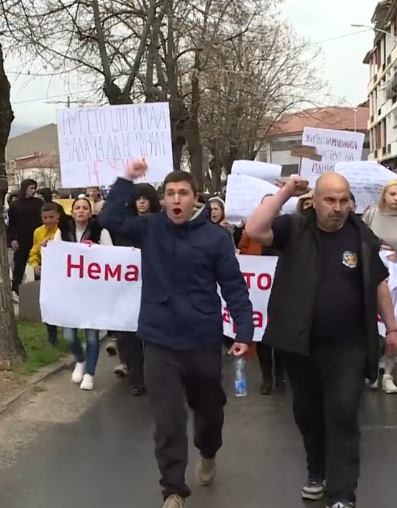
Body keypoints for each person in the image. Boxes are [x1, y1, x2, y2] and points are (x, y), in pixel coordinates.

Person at [99, 161, 253, 508]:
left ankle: (209, 450)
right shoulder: (150, 228)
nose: (176, 199)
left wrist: (244, 331)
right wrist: (126, 179)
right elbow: (109, 219)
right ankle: (172, 489)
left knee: (209, 410)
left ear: (195, 198)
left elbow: (234, 286)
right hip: (160, 338)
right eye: (170, 194)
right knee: (168, 419)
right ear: (163, 200)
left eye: (182, 193)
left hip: (202, 339)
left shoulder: (215, 238)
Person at [244, 172, 397, 508]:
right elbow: (254, 230)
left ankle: (343, 494)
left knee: (343, 414)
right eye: (330, 200)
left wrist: (392, 329)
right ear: (315, 201)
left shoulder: (362, 237)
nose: (338, 207)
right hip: (301, 345)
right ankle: (317, 472)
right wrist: (285, 191)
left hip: (349, 346)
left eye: (344, 200)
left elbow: (379, 284)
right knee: (308, 414)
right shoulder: (294, 228)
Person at [51, 198, 113, 390]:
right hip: (71, 291)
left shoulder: (100, 231)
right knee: (69, 334)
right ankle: (80, 359)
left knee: (92, 335)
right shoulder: (63, 230)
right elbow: (57, 254)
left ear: (90, 212)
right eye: (77, 208)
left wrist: (94, 250)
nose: (81, 211)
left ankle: (90, 374)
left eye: (85, 208)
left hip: (92, 291)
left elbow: (111, 256)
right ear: (72, 211)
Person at [361, 179, 397, 394]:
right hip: (374, 277)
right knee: (373, 328)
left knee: (395, 326)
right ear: (384, 195)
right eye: (392, 194)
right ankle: (373, 370)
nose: (395, 199)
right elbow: (361, 240)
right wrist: (378, 247)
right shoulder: (371, 215)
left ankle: (389, 374)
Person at [110, 182, 161, 395]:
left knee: (152, 339)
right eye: (138, 198)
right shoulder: (125, 226)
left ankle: (155, 378)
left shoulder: (161, 225)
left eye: (145, 198)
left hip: (154, 288)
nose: (141, 202)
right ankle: (137, 379)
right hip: (128, 288)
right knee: (130, 338)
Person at [238, 195, 283, 395]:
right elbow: (243, 251)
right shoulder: (252, 228)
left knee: (281, 335)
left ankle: (280, 375)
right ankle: (267, 378)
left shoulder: (284, 228)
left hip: (280, 288)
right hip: (259, 290)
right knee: (263, 335)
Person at [29, 202, 61, 346]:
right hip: (44, 271)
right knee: (46, 303)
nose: (48, 220)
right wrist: (35, 264)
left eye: (51, 217)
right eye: (45, 218)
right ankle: (51, 335)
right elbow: (34, 250)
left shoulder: (61, 231)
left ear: (57, 216)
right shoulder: (38, 232)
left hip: (60, 271)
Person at [7, 179, 42, 300]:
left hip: (37, 240)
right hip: (21, 240)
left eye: (34, 188)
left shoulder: (38, 203)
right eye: (31, 188)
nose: (33, 191)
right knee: (19, 266)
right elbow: (11, 225)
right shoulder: (15, 205)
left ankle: (40, 290)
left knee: (38, 265)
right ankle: (15, 289)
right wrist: (12, 239)